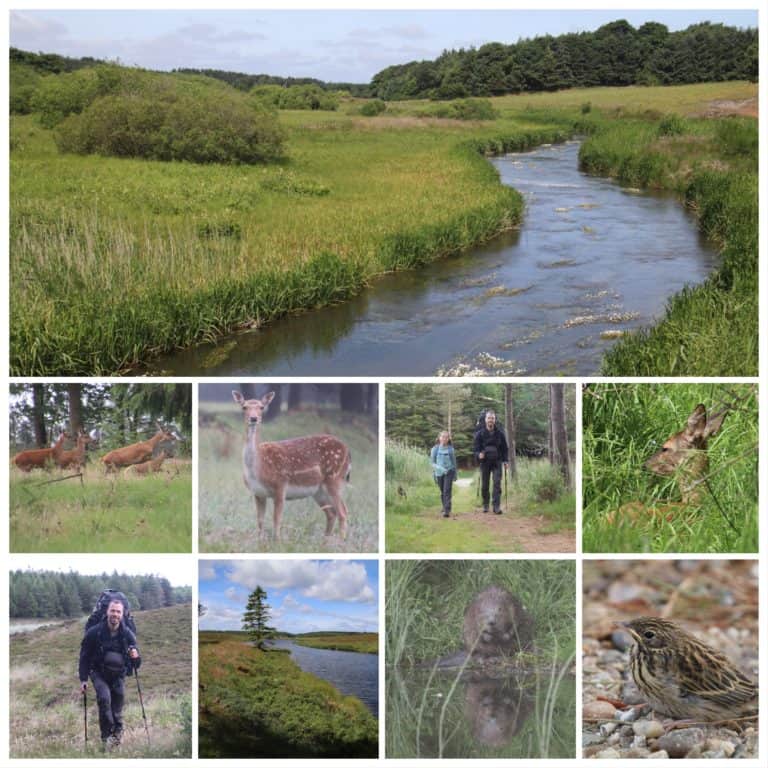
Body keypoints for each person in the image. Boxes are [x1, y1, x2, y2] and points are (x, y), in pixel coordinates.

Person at [79, 599, 141, 749]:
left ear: (122, 614)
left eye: (118, 612)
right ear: (107, 612)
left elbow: (137, 664)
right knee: (104, 699)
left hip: (118, 675)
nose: (115, 614)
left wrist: (136, 657)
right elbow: (84, 656)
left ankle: (116, 739)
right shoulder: (94, 632)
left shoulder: (128, 635)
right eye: (112, 611)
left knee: (117, 710)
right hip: (98, 673)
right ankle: (106, 738)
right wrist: (83, 679)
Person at [473, 410, 509, 514]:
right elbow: (475, 449)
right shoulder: (479, 434)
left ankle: (496, 506)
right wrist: (478, 455)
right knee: (485, 485)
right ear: (485, 420)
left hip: (497, 461)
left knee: (497, 483)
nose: (491, 420)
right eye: (489, 418)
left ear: (495, 420)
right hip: (485, 462)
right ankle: (485, 504)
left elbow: (505, 449)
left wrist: (506, 461)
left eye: (492, 418)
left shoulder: (500, 434)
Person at [430, 430, 457, 518]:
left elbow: (454, 462)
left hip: (449, 472)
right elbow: (432, 463)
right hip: (439, 473)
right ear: (439, 438)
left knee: (447, 490)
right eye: (443, 437)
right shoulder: (435, 449)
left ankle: (447, 510)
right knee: (442, 491)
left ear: (449, 439)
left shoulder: (451, 449)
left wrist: (455, 475)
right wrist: (440, 469)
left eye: (446, 437)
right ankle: (444, 506)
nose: (444, 439)